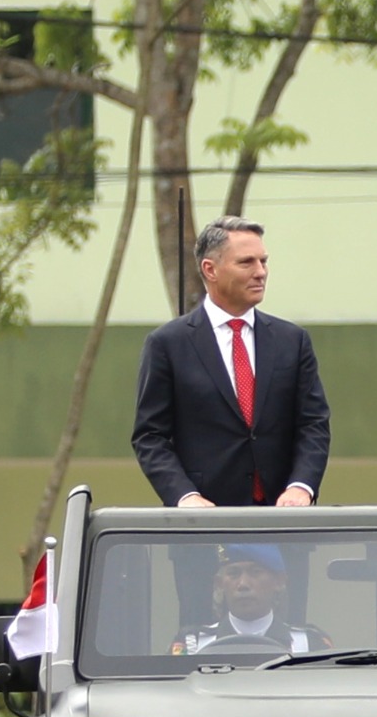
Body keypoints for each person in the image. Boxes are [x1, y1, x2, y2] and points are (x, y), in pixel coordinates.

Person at [132, 216, 332, 511]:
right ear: (210, 269)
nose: (261, 272)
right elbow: (150, 436)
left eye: (263, 261)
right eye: (246, 262)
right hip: (203, 523)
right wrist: (184, 497)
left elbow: (313, 424)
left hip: (285, 519)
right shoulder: (167, 344)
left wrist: (301, 487)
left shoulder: (292, 340)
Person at [168, 543, 333, 656]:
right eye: (233, 574)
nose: (243, 584)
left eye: (255, 572)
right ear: (219, 584)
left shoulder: (309, 644)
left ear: (279, 581)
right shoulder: (192, 644)